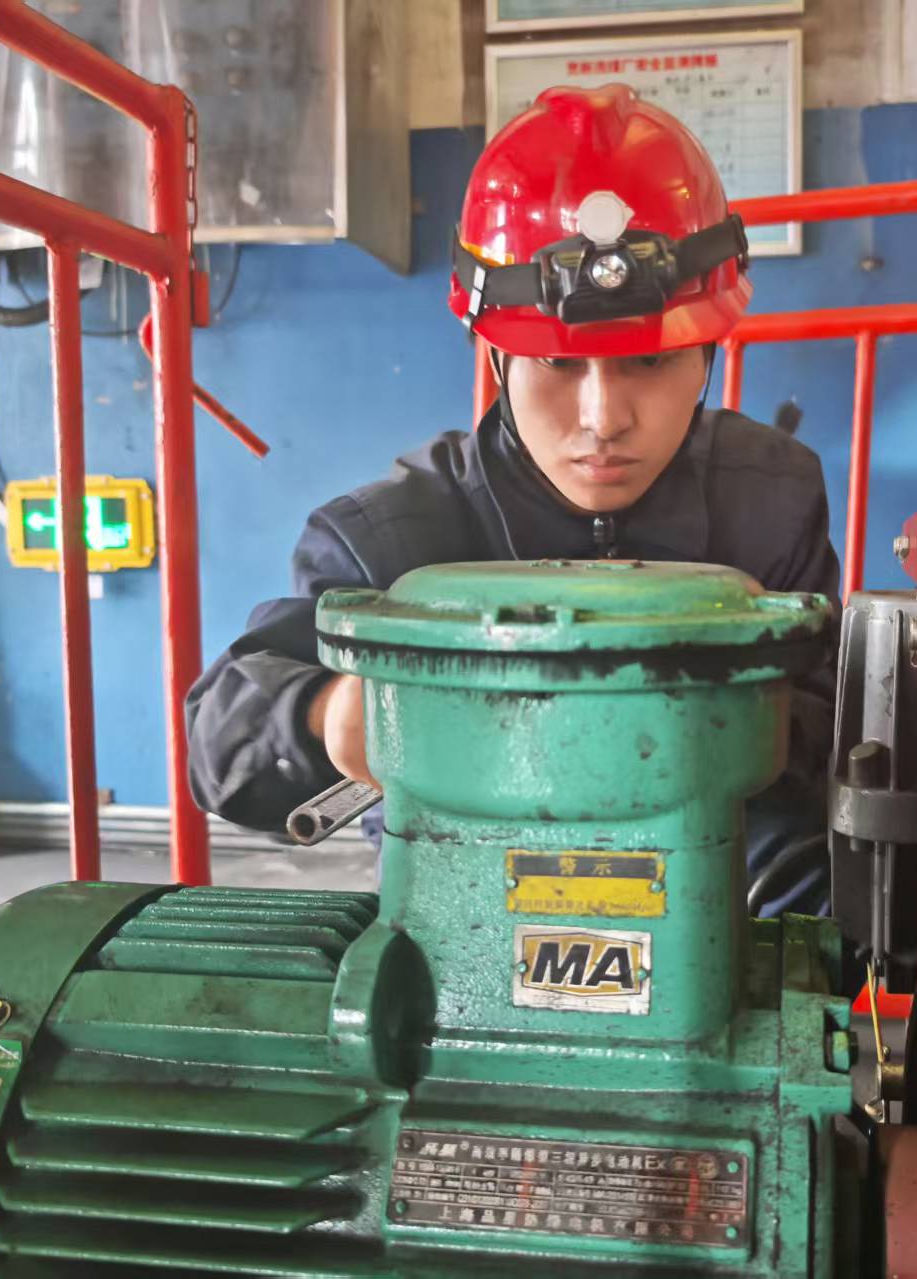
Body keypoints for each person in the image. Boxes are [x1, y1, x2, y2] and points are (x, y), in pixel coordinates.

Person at [185, 85, 839, 915]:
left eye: (647, 360)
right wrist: (329, 711)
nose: (603, 419)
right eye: (559, 364)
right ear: (495, 356)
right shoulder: (389, 541)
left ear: (706, 351)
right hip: (471, 903)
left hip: (731, 897)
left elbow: (835, 719)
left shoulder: (771, 500)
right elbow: (220, 740)